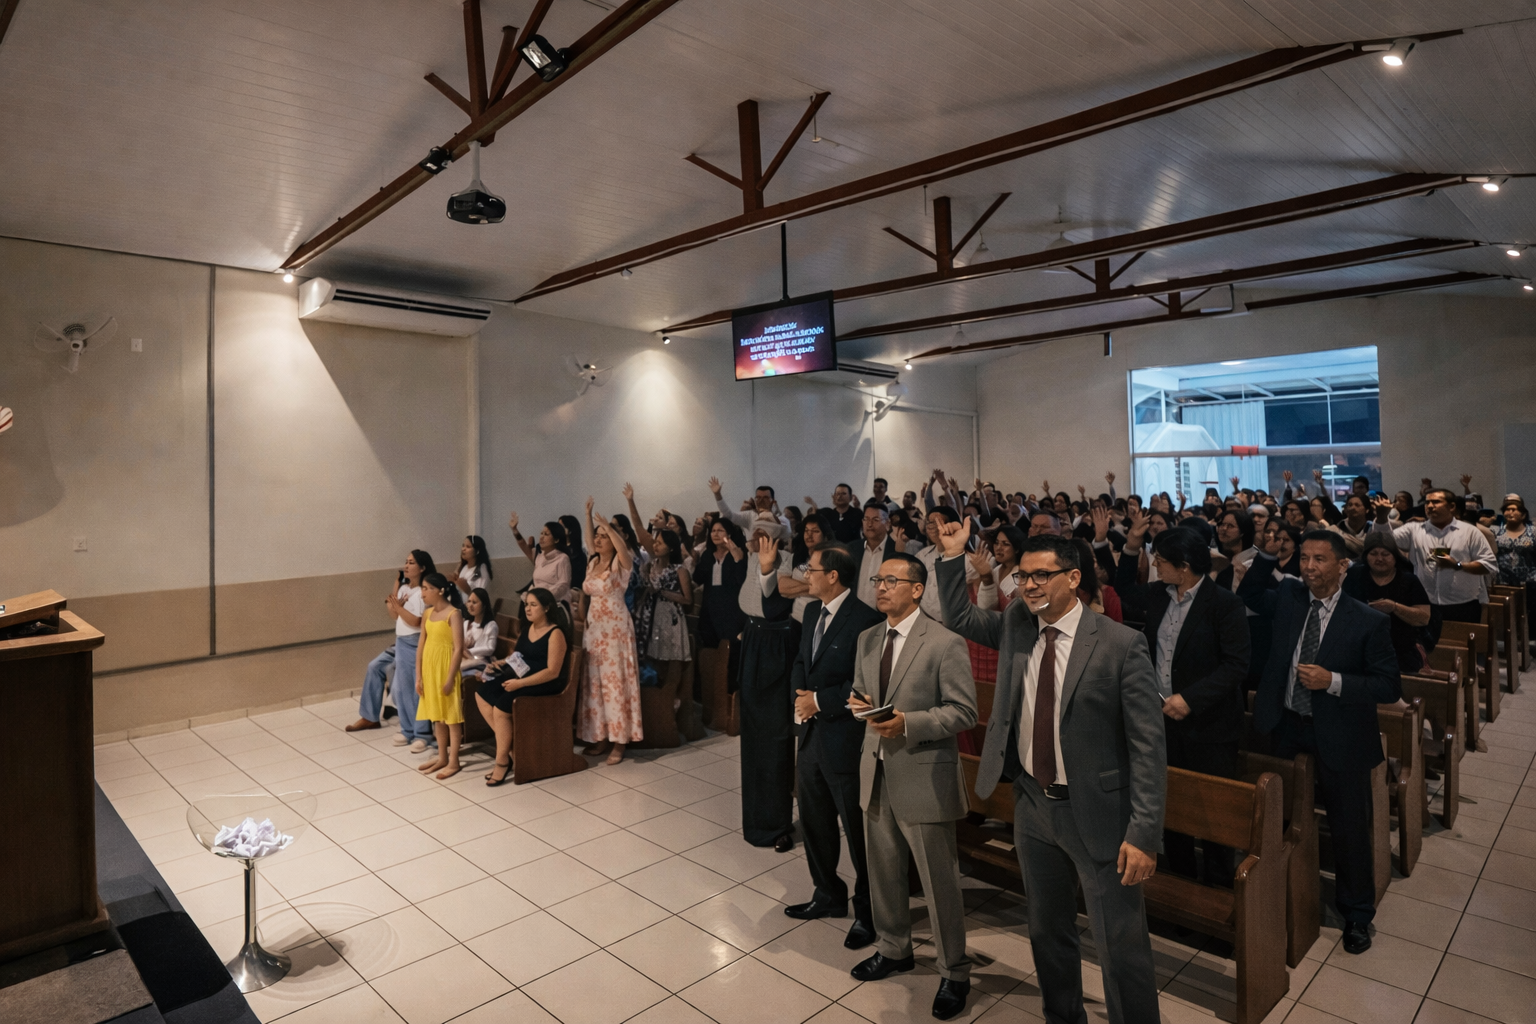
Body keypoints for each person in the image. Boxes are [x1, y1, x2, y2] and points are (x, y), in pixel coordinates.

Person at [935, 524, 1165, 1024]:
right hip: (1033, 803)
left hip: (1099, 811)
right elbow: (958, 616)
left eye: (1042, 575)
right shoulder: (1018, 626)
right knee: (1047, 930)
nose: (1029, 586)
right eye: (1023, 576)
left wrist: (1144, 833)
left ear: (1074, 578)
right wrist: (952, 557)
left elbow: (1148, 748)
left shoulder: (1120, 644)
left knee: (1120, 944)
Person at [1238, 529, 1401, 954]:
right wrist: (1265, 556)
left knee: (1349, 827)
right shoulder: (1290, 599)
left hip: (1340, 732)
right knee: (1278, 818)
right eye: (1304, 558)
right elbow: (1250, 594)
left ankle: (1357, 914)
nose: (1309, 567)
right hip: (1286, 724)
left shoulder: (1366, 620)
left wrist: (1334, 681)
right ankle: (1280, 895)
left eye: (1319, 559)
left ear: (1343, 565)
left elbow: (1388, 686)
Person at [846, 553, 978, 1021]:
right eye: (878, 579)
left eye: (891, 580)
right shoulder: (867, 638)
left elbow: (964, 711)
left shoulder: (943, 642)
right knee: (883, 872)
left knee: (939, 883)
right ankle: (894, 948)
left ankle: (954, 971)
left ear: (917, 589)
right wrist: (859, 705)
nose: (880, 587)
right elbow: (860, 691)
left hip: (923, 774)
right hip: (876, 769)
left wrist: (909, 723)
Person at [1116, 526, 1249, 889]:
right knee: (1170, 804)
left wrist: (1191, 699)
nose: (1155, 566)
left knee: (1212, 813)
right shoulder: (1159, 595)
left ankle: (1219, 888)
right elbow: (1123, 590)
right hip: (1163, 720)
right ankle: (1182, 881)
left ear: (1185, 566)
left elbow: (1236, 665)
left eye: (1160, 560)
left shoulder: (1224, 603)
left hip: (1210, 725)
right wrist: (1131, 548)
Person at [784, 544, 886, 948]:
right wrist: (800, 697)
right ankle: (827, 894)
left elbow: (864, 683)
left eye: (811, 570)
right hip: (811, 735)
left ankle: (869, 912)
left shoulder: (865, 620)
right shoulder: (812, 611)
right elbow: (801, 660)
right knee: (814, 821)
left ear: (833, 576)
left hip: (845, 738)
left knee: (857, 832)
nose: (805, 576)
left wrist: (819, 701)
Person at [738, 520, 799, 850]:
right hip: (753, 641)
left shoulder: (789, 563)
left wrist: (767, 569)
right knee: (752, 737)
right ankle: (756, 820)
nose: (756, 540)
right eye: (754, 534)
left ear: (777, 540)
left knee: (774, 737)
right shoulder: (751, 560)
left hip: (775, 647)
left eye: (763, 535)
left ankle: (777, 824)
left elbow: (774, 606)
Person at [476, 587, 570, 786]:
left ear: (546, 608)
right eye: (526, 604)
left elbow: (553, 671)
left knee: (501, 707)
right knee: (483, 693)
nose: (528, 609)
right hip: (523, 676)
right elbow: (518, 656)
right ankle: (512, 751)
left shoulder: (555, 633)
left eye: (533, 605)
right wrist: (502, 662)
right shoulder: (528, 628)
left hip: (545, 683)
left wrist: (520, 683)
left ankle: (502, 761)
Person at [349, 550, 437, 752]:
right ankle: (407, 730)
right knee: (402, 689)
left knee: (417, 690)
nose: (406, 566)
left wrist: (399, 608)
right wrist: (396, 595)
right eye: (406, 562)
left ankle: (422, 734)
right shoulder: (405, 588)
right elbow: (394, 615)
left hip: (416, 642)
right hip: (402, 642)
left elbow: (416, 621)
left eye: (411, 562)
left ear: (422, 568)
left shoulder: (423, 591)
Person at [578, 499, 643, 765]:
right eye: (598, 536)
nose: (599, 539)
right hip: (595, 629)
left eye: (604, 536)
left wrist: (608, 527)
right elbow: (588, 541)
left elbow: (624, 550)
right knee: (596, 684)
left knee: (616, 683)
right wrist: (588, 515)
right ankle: (601, 736)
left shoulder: (620, 563)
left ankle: (620, 740)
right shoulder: (593, 562)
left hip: (615, 629)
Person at [1372, 489, 1496, 623]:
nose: (1430, 506)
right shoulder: (1414, 530)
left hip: (1463, 606)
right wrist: (1381, 518)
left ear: (1452, 506)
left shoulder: (1470, 532)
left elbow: (1489, 565)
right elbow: (1383, 543)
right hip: (1424, 605)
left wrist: (1458, 565)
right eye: (1427, 502)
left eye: (1436, 502)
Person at [1343, 533, 1432, 673]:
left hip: (1401, 650)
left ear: (1395, 556)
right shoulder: (1354, 575)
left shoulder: (1409, 580)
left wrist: (1394, 607)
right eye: (1373, 554)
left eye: (1385, 554)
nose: (1379, 559)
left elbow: (1424, 618)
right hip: (1360, 647)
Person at [414, 572, 467, 780]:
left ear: (440, 590)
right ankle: (442, 757)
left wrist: (450, 678)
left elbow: (458, 648)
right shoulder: (427, 614)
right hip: (430, 668)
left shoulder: (454, 614)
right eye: (422, 588)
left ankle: (454, 761)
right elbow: (421, 645)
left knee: (451, 717)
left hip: (446, 668)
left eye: (427, 588)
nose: (423, 593)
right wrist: (418, 675)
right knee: (437, 716)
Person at [509, 513, 572, 606]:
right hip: (536, 601)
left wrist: (542, 597)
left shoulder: (563, 558)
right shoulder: (539, 557)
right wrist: (515, 530)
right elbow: (524, 546)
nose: (542, 537)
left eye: (546, 534)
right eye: (541, 533)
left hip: (553, 604)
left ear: (556, 540)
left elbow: (563, 586)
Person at [1494, 497, 1536, 610]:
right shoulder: (1496, 532)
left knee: (1530, 613)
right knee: (1506, 613)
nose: (1510, 512)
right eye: (1507, 510)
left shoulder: (1533, 532)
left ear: (1523, 514)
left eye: (1514, 509)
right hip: (1503, 581)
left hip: (1529, 581)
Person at [710, 476, 791, 533]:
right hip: (753, 553)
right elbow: (729, 515)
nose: (761, 501)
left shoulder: (782, 519)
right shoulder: (750, 516)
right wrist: (718, 495)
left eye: (765, 498)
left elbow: (785, 534)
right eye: (758, 498)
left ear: (773, 501)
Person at [855, 505, 899, 607]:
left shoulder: (895, 551)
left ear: (887, 524)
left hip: (883, 612)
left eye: (875, 520)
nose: (869, 524)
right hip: (854, 612)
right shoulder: (853, 549)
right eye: (866, 519)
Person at [459, 588, 499, 681]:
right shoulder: (466, 623)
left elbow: (490, 649)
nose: (470, 605)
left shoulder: (491, 625)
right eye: (469, 601)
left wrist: (468, 651)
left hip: (480, 661)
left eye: (474, 602)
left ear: (484, 605)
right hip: (465, 658)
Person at [559, 514, 588, 595]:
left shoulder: (579, 555)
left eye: (561, 526)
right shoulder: (557, 549)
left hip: (573, 589)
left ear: (570, 530)